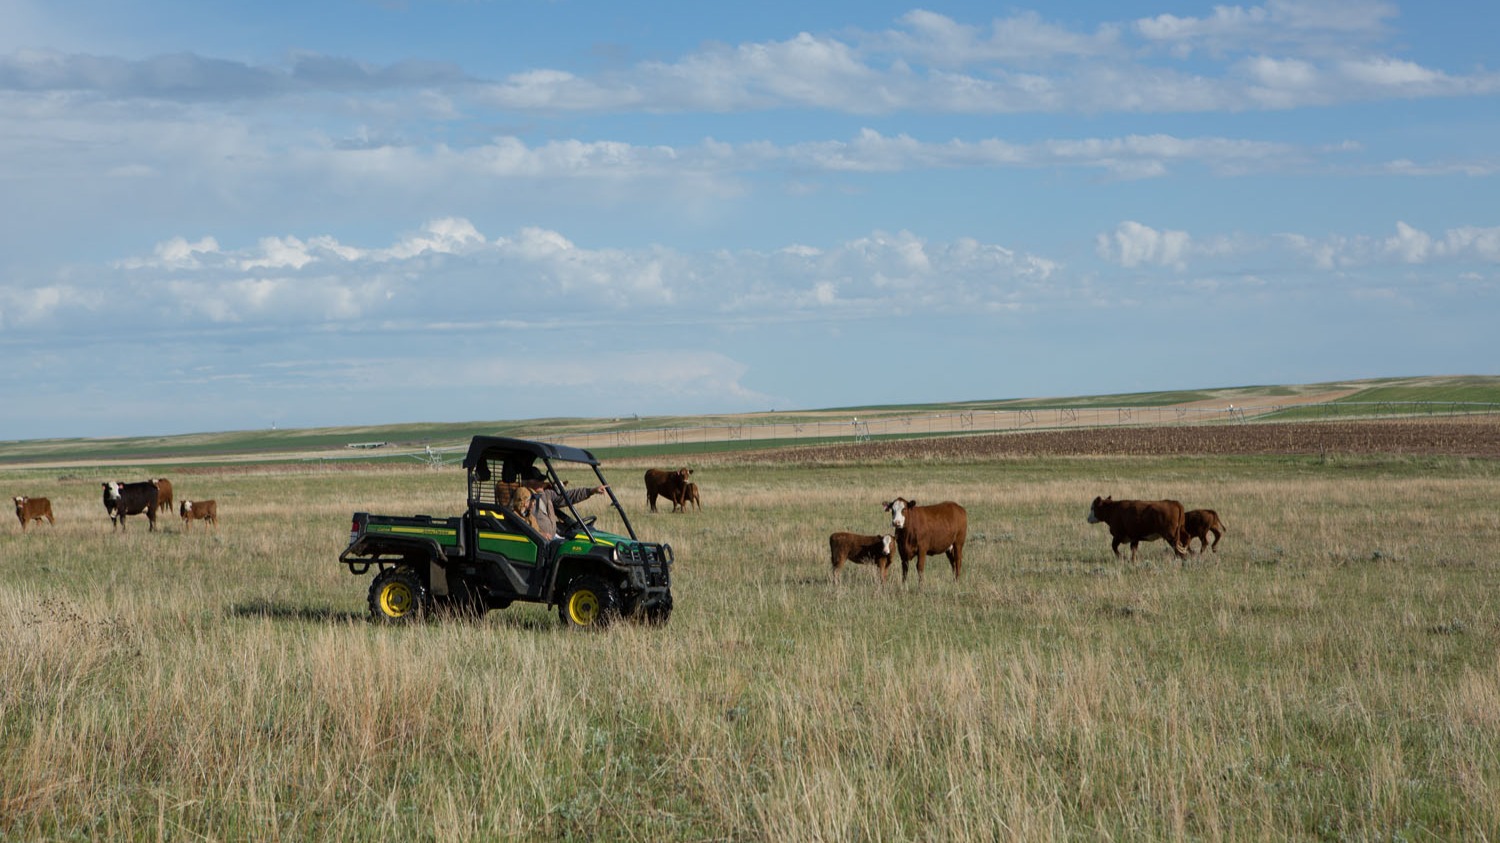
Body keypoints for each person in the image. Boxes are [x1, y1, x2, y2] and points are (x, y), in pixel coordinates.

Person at [518, 466, 607, 541]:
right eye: (537, 481)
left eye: (541, 480)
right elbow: (521, 524)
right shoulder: (522, 500)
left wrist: (591, 491)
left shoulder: (546, 494)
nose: (541, 483)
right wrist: (539, 534)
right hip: (538, 541)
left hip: (553, 538)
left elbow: (568, 496)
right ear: (526, 482)